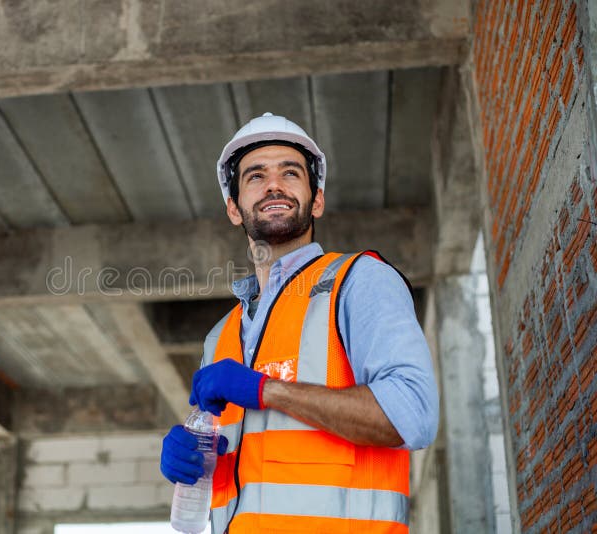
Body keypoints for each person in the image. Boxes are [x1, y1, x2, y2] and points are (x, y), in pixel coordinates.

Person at [160, 113, 438, 533]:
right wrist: (197, 462)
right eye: (256, 176)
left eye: (290, 173)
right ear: (234, 209)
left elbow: (413, 416)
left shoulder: (357, 282)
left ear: (317, 199)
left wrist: (265, 389)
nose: (274, 185)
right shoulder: (220, 337)